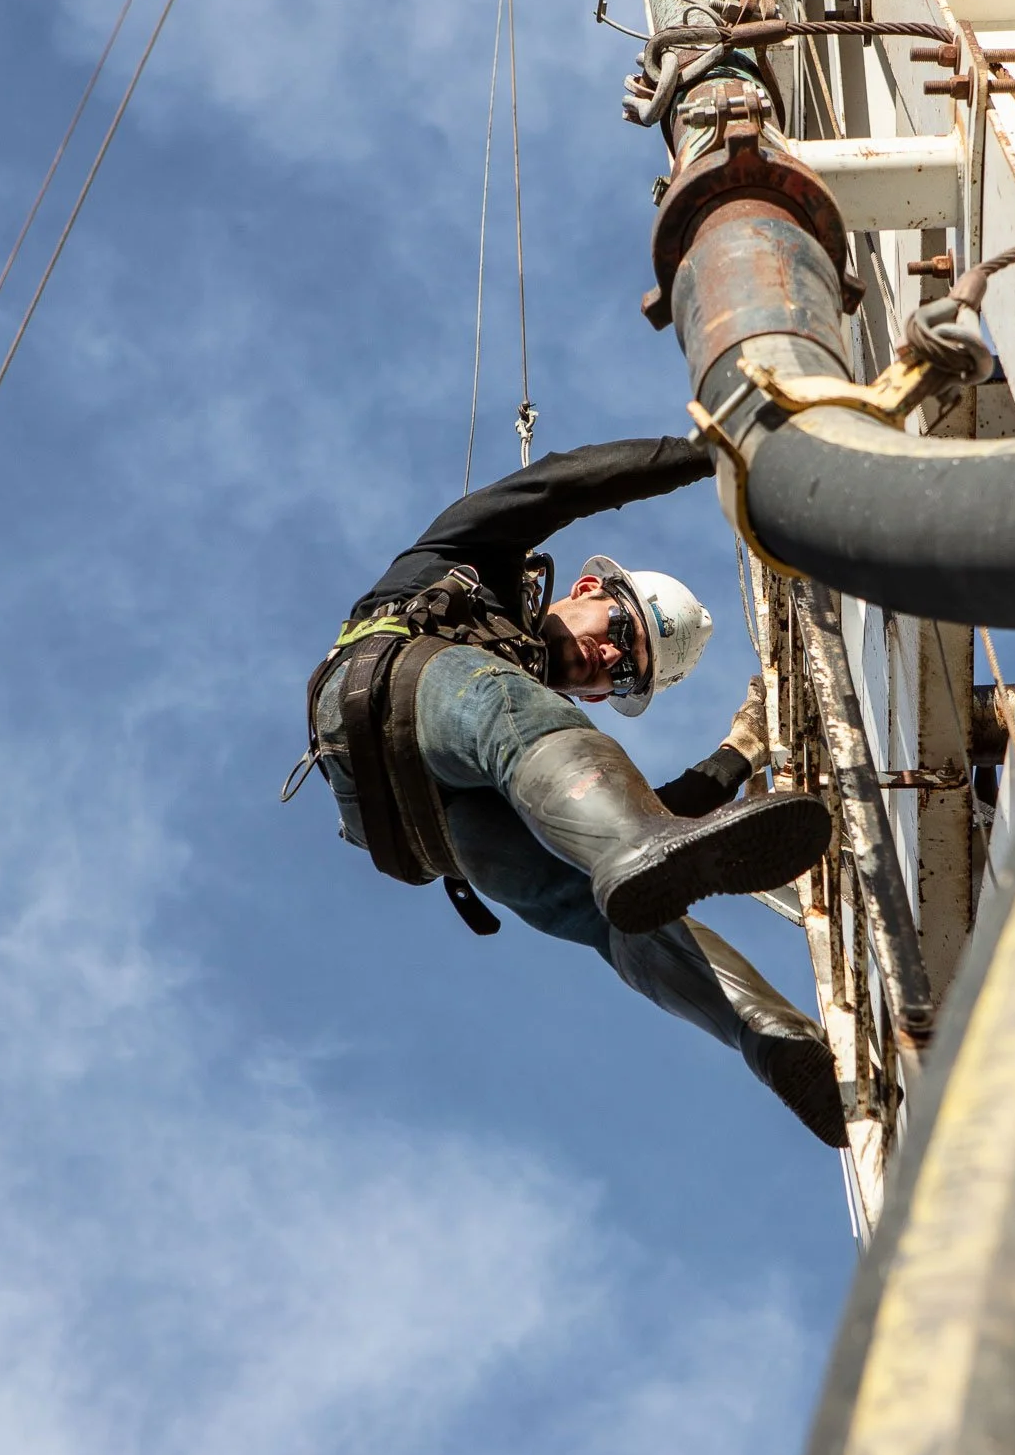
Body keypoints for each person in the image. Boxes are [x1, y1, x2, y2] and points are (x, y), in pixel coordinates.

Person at [298, 436, 846, 1148]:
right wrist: (714, 450)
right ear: (589, 591)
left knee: (612, 908)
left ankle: (772, 1040)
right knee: (540, 747)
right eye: (622, 631)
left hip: (423, 830)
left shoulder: (552, 770)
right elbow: (557, 485)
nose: (611, 657)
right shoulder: (472, 570)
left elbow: (635, 838)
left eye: (623, 675)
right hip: (389, 684)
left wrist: (738, 755)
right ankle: (743, 1005)